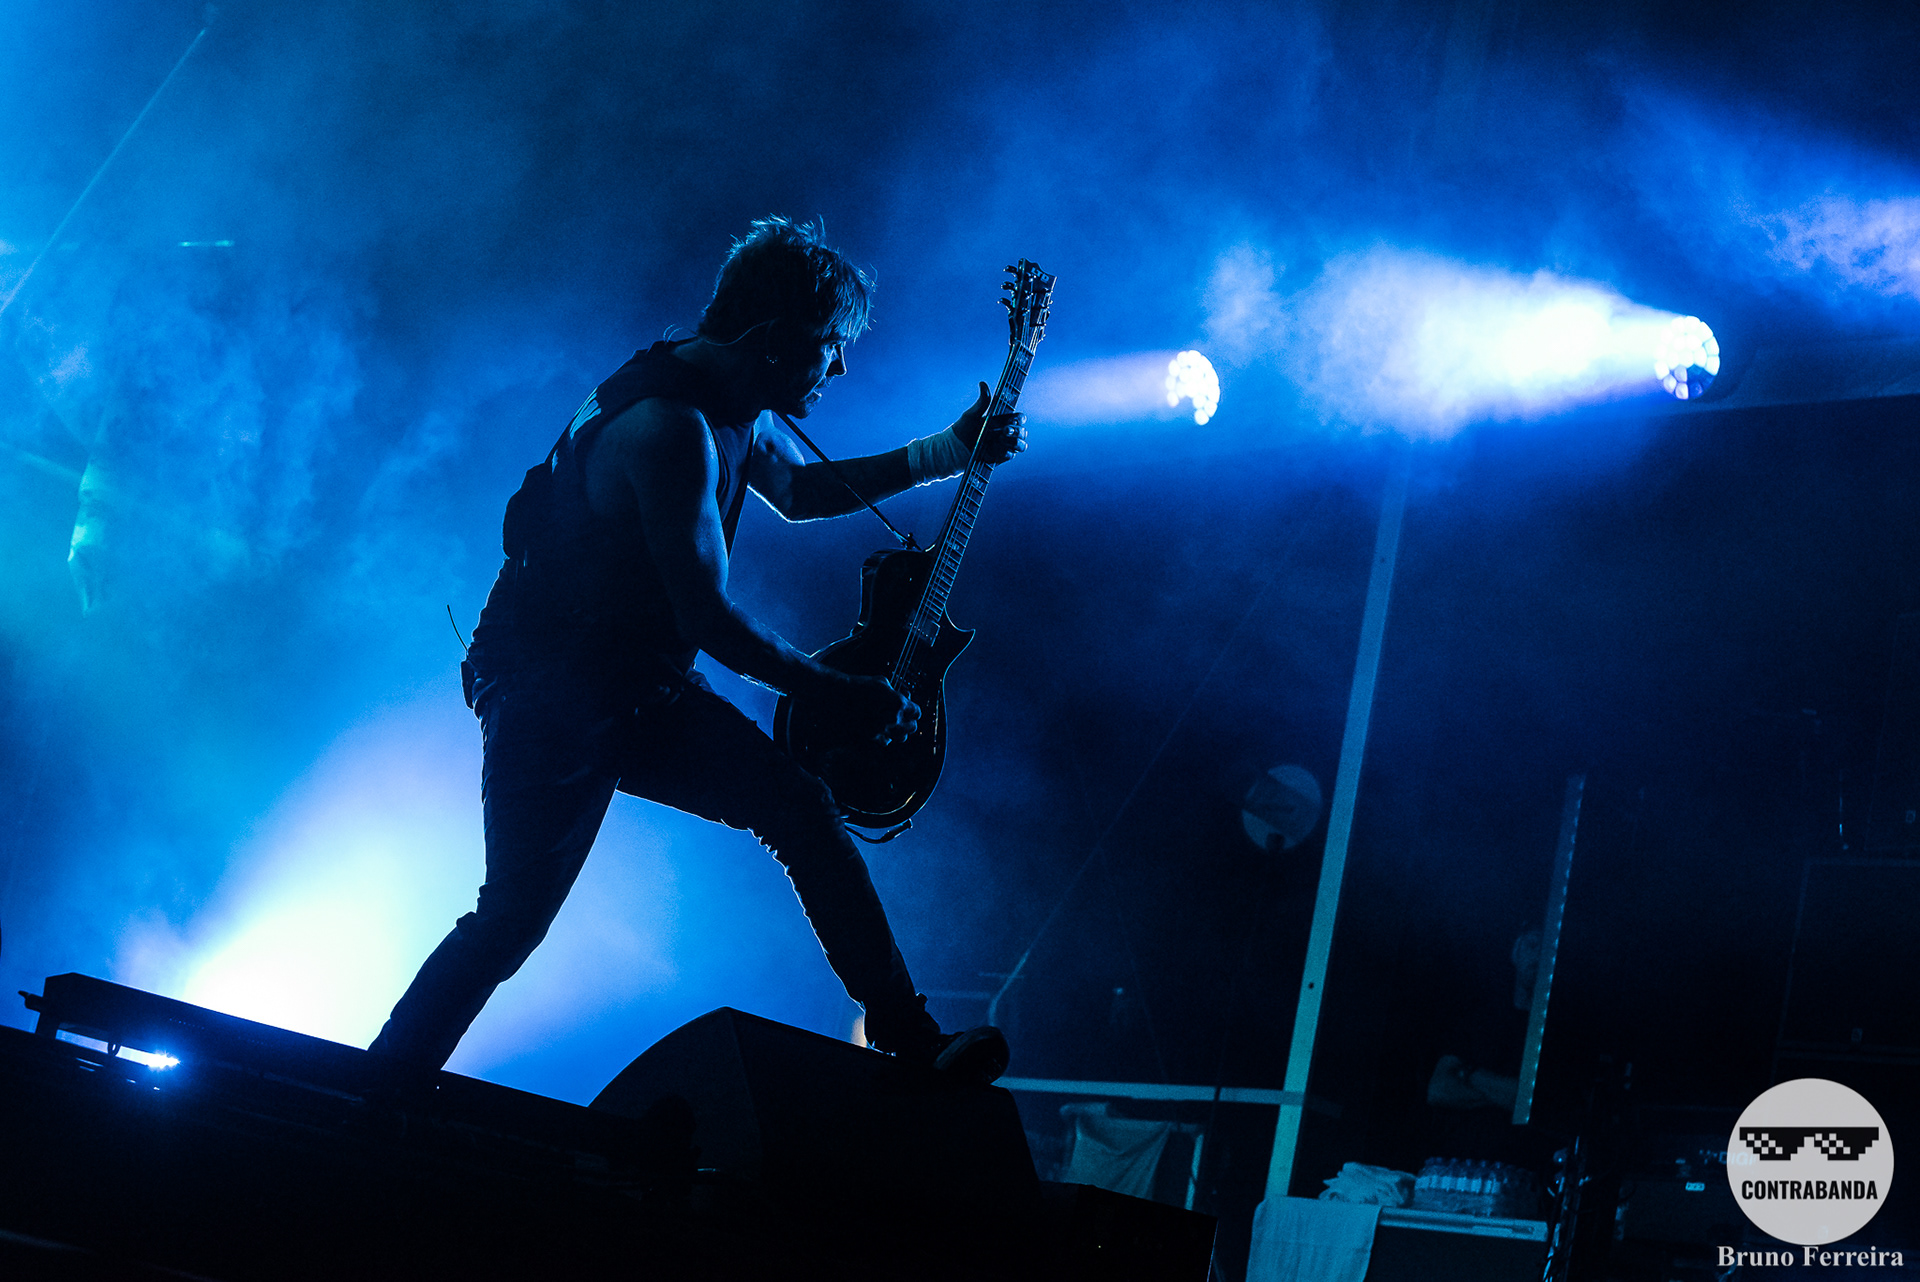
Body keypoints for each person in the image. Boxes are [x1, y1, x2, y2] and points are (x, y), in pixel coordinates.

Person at [369, 216, 1025, 1083]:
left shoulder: (732, 398)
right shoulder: (666, 429)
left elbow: (797, 489)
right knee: (512, 921)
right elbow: (708, 619)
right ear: (771, 339)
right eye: (828, 346)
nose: (838, 368)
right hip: (547, 687)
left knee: (801, 810)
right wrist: (836, 691)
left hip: (634, 681)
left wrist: (949, 450)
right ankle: (369, 1093)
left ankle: (910, 1038)